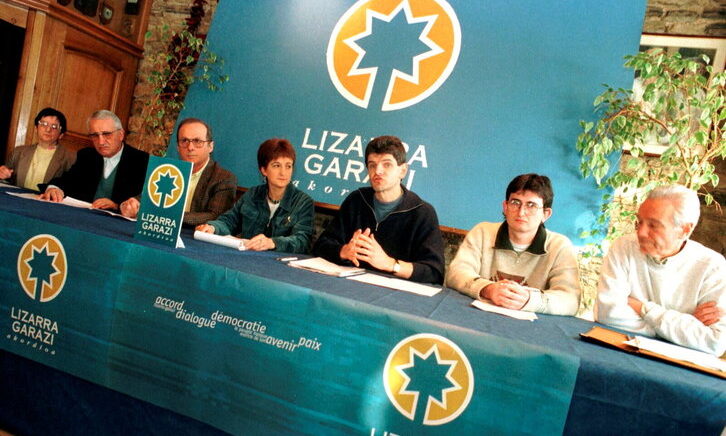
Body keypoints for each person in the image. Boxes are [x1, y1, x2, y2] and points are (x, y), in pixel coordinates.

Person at [596, 184, 725, 356]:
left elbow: (715, 342)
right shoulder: (624, 247)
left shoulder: (712, 266)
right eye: (639, 222)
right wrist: (682, 327)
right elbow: (607, 314)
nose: (641, 232)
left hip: (678, 364)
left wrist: (643, 308)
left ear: (684, 230)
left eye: (653, 225)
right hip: (620, 352)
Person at [313, 135, 445, 284]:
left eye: (387, 164)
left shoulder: (422, 213)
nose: (378, 171)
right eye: (372, 165)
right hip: (348, 286)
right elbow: (321, 246)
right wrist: (344, 251)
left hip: (395, 293)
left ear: (403, 170)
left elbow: (434, 273)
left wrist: (390, 264)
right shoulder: (356, 200)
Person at [446, 174, 580, 315]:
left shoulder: (559, 246)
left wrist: (529, 300)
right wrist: (488, 289)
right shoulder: (482, 232)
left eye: (531, 205)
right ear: (505, 207)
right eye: (515, 202)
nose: (521, 212)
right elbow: (456, 273)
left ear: (545, 214)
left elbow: (570, 300)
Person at [196, 138, 313, 253]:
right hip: (247, 257)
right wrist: (212, 227)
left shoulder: (303, 202)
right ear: (264, 170)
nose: (283, 172)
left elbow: (302, 241)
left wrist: (273, 243)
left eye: (288, 166)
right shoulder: (252, 194)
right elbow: (229, 220)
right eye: (276, 166)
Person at [120, 118, 237, 226]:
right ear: (177, 147)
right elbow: (146, 199)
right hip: (158, 230)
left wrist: (168, 216)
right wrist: (131, 204)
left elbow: (215, 216)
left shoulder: (224, 178)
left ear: (210, 146)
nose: (190, 147)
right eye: (184, 141)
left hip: (192, 236)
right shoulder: (167, 170)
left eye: (197, 141)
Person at [39, 110, 149, 210]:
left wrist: (117, 206)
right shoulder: (87, 156)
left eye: (107, 134)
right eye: (95, 135)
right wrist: (54, 188)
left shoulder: (141, 161)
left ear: (120, 135)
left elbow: (145, 202)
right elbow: (67, 180)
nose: (101, 142)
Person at [0, 107, 76, 191]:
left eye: (54, 126)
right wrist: (3, 175)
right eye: (44, 124)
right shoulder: (18, 152)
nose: (48, 129)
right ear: (36, 128)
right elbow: (5, 182)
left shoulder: (70, 158)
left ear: (61, 135)